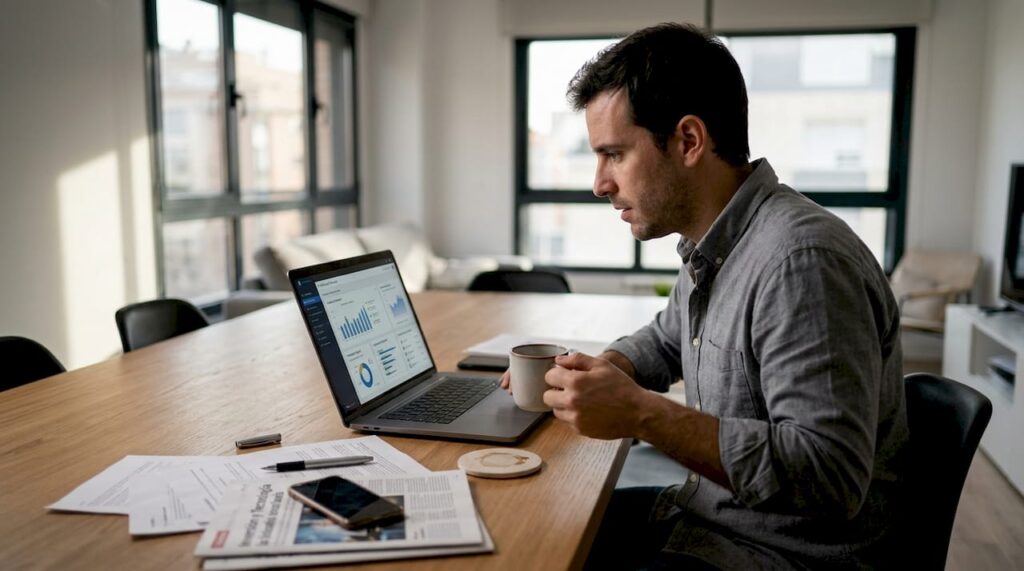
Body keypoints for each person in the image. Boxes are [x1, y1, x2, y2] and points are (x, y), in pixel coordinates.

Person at [501, 23, 908, 570]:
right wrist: (591, 373)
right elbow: (666, 339)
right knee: (533, 534)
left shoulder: (801, 263)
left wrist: (643, 415)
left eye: (614, 154)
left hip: (777, 556)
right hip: (710, 520)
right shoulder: (715, 242)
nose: (599, 183)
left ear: (688, 141)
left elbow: (829, 476)